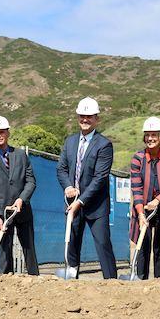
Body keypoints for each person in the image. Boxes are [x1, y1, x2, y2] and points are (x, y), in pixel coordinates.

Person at [57, 97, 117, 279]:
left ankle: (111, 281)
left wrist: (81, 201)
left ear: (96, 119)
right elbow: (61, 168)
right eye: (82, 116)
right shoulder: (70, 141)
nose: (85, 120)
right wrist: (68, 186)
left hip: (96, 206)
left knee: (103, 243)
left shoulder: (104, 144)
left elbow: (100, 179)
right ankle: (71, 277)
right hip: (72, 202)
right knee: (72, 243)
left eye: (89, 116)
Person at [0, 116, 39, 275]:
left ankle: (35, 281)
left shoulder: (20, 155)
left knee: (29, 250)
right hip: (2, 214)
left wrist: (21, 199)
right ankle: (4, 283)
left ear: (8, 133)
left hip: (23, 210)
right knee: (5, 253)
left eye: (2, 132)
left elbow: (31, 181)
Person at [129, 117, 160, 279]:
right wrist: (141, 213)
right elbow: (136, 188)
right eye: (147, 135)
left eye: (154, 135)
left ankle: (158, 281)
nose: (150, 138)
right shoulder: (138, 158)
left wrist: (157, 200)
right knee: (143, 245)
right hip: (142, 208)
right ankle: (141, 278)